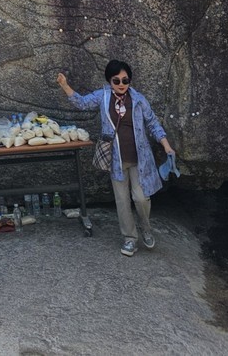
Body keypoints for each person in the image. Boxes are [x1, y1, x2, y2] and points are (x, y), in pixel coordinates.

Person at [57, 60, 175, 257]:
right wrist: (64, 85)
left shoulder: (138, 99)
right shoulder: (103, 96)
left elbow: (153, 123)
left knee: (141, 197)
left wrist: (166, 145)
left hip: (140, 159)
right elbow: (82, 103)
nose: (121, 84)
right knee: (122, 201)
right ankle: (130, 238)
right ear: (109, 81)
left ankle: (145, 228)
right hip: (116, 160)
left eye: (125, 80)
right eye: (116, 80)